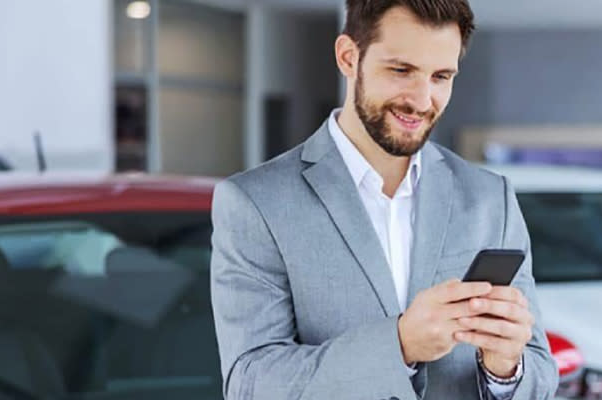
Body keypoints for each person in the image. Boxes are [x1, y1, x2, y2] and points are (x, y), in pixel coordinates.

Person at [209, 0, 558, 399]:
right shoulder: (256, 203)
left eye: (441, 76)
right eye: (401, 70)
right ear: (348, 57)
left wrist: (505, 370)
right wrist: (400, 345)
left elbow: (540, 376)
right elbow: (250, 384)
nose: (422, 100)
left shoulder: (490, 198)